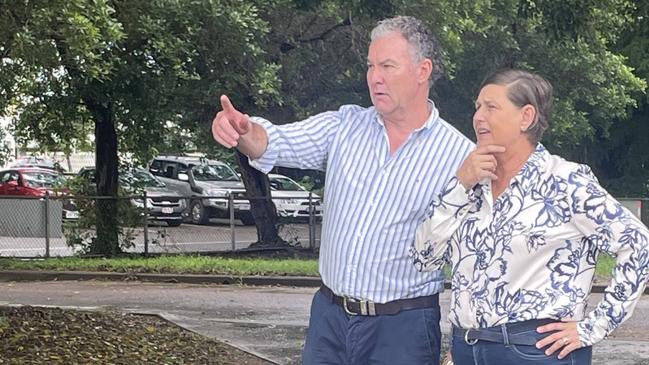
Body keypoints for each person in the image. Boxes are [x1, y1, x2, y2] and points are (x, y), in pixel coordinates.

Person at [212, 16, 474, 365]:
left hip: (403, 329)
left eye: (387, 66)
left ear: (422, 70)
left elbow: (472, 258)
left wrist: (463, 343)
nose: (374, 77)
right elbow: (277, 140)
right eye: (370, 66)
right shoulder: (344, 126)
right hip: (329, 320)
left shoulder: (459, 156)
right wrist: (243, 131)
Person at [413, 69, 649, 364]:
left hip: (536, 351)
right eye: (477, 107)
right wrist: (460, 185)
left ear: (526, 117)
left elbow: (639, 244)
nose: (478, 117)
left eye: (491, 106)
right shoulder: (470, 186)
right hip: (466, 348)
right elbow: (424, 259)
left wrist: (594, 326)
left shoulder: (564, 181)